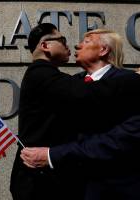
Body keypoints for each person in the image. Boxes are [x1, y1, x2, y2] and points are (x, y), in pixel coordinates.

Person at [10, 23, 140, 200]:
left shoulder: (126, 82)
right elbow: (86, 94)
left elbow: (123, 138)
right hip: (58, 187)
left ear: (103, 50)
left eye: (86, 41)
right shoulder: (68, 83)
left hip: (113, 190)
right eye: (62, 40)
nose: (76, 45)